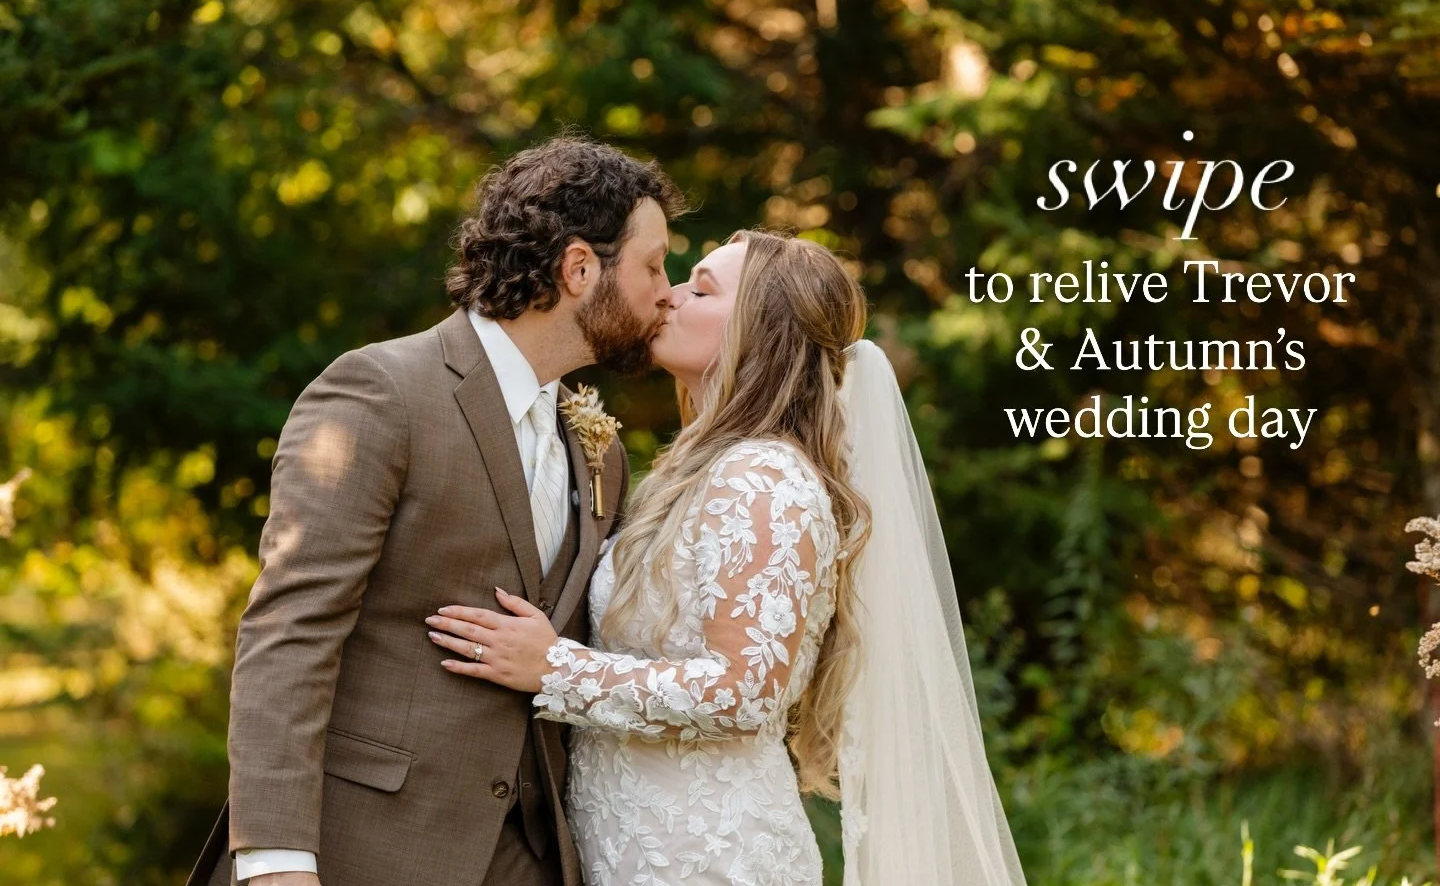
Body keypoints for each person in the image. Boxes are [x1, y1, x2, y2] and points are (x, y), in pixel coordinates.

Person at [426, 231, 1028, 886]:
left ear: (760, 331)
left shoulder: (766, 477)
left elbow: (745, 690)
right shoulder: (699, 469)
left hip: (709, 860)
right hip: (634, 850)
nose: (668, 296)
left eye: (700, 289)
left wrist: (554, 669)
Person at [187, 137, 687, 886]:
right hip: (365, 847)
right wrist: (276, 861)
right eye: (654, 264)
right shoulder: (381, 393)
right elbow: (291, 629)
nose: (666, 291)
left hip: (533, 851)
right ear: (580, 269)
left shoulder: (598, 449)